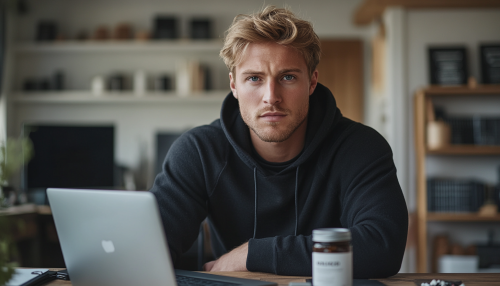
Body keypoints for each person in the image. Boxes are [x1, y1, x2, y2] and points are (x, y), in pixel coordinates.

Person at [150, 6, 408, 278]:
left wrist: (251, 254)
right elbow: (148, 249)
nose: (271, 96)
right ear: (234, 85)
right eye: (254, 78)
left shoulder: (360, 148)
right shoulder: (200, 152)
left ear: (312, 82)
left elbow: (382, 246)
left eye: (287, 77)